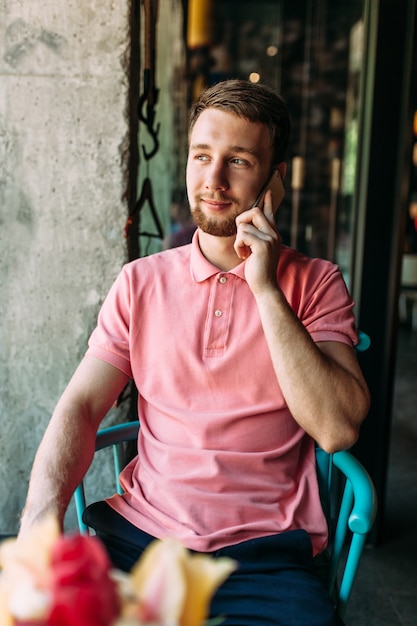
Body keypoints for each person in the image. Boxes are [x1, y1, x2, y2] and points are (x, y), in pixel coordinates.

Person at [20, 79, 370, 625]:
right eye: (201, 156)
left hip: (265, 557)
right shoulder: (139, 283)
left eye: (239, 160)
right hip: (141, 539)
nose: (213, 180)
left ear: (275, 180)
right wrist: (39, 526)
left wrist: (266, 288)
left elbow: (337, 429)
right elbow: (82, 408)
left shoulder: (317, 283)